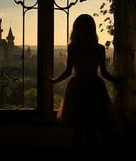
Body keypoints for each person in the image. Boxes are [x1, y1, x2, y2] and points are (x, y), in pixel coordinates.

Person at [50, 14, 120, 151]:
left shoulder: (73, 47)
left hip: (78, 88)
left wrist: (54, 80)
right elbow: (104, 73)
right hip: (95, 88)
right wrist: (118, 81)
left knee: (77, 129)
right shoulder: (100, 48)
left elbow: (68, 72)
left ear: (76, 29)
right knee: (92, 130)